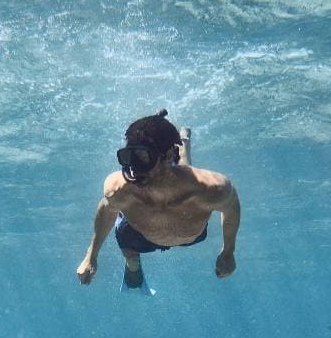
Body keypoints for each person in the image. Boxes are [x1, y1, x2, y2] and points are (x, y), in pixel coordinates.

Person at [76, 109, 240, 290]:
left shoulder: (211, 189)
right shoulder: (120, 190)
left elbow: (231, 206)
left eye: (143, 158)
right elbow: (107, 208)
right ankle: (133, 265)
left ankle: (183, 141)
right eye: (129, 158)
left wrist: (228, 251)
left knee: (185, 169)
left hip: (190, 235)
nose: (135, 170)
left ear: (169, 155)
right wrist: (91, 256)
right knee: (130, 251)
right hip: (140, 235)